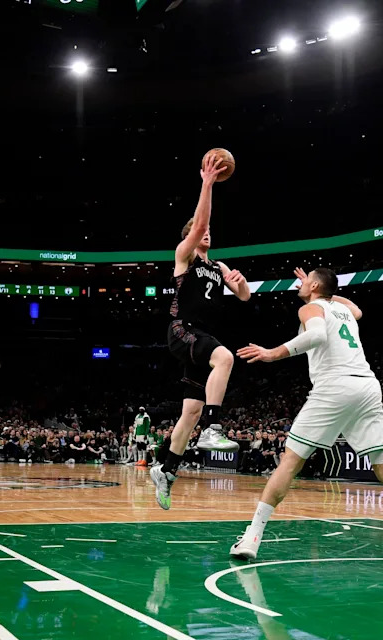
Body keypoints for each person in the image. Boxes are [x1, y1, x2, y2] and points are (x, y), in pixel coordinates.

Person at [229, 267, 383, 569]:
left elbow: (317, 335)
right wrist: (324, 289)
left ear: (315, 285)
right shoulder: (342, 310)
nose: (299, 284)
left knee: (290, 462)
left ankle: (252, 537)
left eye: (304, 281)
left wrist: (271, 353)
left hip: (335, 386)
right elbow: (356, 309)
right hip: (367, 387)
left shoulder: (309, 308)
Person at [152, 154, 252, 508]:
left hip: (201, 336)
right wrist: (207, 184)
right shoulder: (184, 255)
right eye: (200, 228)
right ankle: (214, 427)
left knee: (189, 411)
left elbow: (244, 296)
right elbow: (197, 226)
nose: (206, 230)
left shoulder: (218, 264)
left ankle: (166, 470)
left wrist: (238, 284)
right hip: (183, 330)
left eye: (209, 229)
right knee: (225, 357)